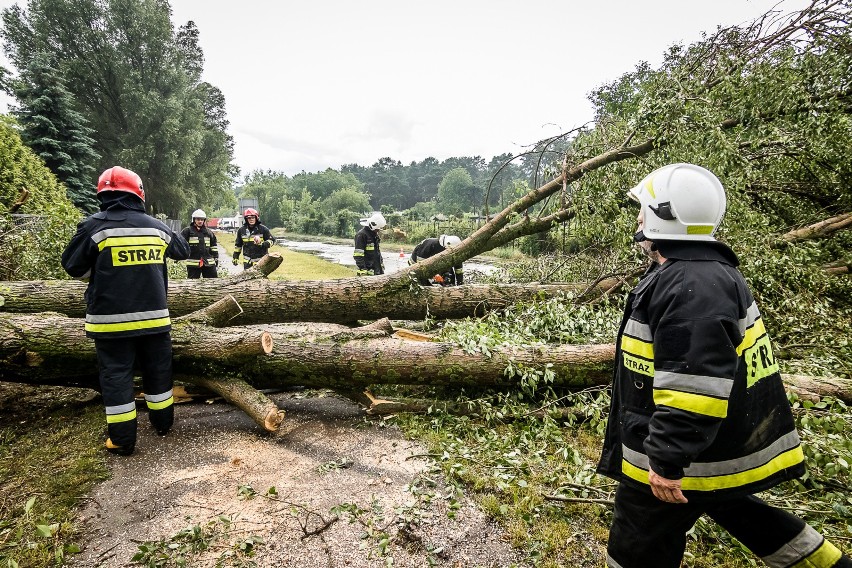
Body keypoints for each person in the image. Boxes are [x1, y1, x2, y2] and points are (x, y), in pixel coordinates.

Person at [597, 163, 851, 568]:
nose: (638, 219)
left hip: (678, 454)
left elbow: (693, 385)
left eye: (643, 209)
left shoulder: (688, 287)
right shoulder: (702, 274)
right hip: (713, 447)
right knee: (746, 515)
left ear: (665, 216)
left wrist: (665, 459)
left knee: (635, 547)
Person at [61, 166, 190, 456]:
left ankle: (122, 440)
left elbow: (72, 266)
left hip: (110, 323)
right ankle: (163, 423)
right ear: (139, 193)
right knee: (158, 372)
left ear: (102, 194)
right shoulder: (155, 227)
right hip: (155, 319)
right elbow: (182, 251)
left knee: (117, 376)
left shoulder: (94, 227)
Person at [181, 208, 219, 278]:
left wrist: (216, 258)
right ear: (194, 220)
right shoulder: (187, 231)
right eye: (198, 219)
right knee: (192, 285)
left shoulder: (209, 232)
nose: (200, 221)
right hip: (193, 264)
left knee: (212, 283)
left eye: (202, 219)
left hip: (208, 263)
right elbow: (180, 244)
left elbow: (214, 246)